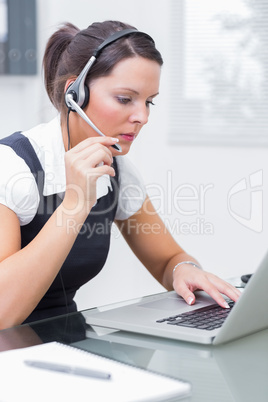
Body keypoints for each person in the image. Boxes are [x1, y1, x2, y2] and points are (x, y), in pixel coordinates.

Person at [0, 20, 240, 330]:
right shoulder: (12, 165)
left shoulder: (116, 172)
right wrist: (76, 202)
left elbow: (168, 258)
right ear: (74, 92)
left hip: (68, 342)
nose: (143, 117)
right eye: (125, 99)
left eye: (149, 101)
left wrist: (184, 268)